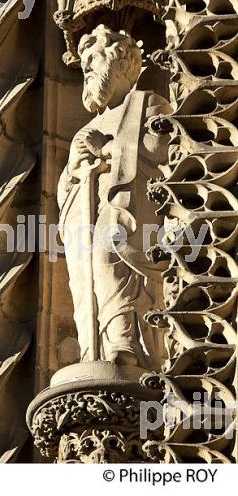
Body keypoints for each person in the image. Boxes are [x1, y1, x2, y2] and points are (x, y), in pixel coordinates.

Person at [58, 25, 172, 366]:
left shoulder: (149, 104)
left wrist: (106, 150)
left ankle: (126, 343)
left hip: (129, 212)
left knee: (109, 253)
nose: (88, 69)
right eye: (85, 64)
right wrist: (74, 169)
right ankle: (94, 350)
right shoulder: (82, 129)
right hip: (86, 219)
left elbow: (160, 151)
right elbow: (65, 189)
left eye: (94, 59)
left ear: (122, 64)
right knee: (85, 275)